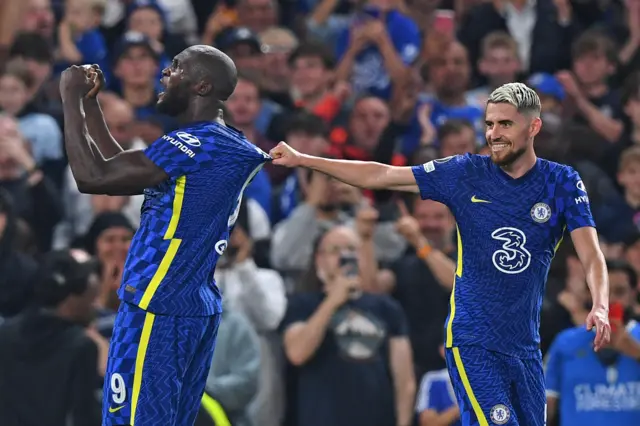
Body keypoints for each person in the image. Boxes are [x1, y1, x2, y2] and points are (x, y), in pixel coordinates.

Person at [270, 82, 612, 426]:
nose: (494, 134)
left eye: (505, 124)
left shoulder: (562, 182)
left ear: (533, 126)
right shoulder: (465, 172)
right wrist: (304, 160)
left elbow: (591, 253)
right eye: (490, 124)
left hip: (525, 345)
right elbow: (382, 174)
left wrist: (599, 303)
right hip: (473, 339)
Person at [58, 44, 271, 426]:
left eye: (176, 67)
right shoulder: (221, 142)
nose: (163, 73)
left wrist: (69, 98)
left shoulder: (192, 145)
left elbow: (93, 178)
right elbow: (121, 171)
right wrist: (92, 106)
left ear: (202, 86)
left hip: (156, 304)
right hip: (192, 306)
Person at [0, 249, 102, 426]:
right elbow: (84, 417)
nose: (93, 301)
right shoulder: (81, 346)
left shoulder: (5, 333)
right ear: (72, 294)